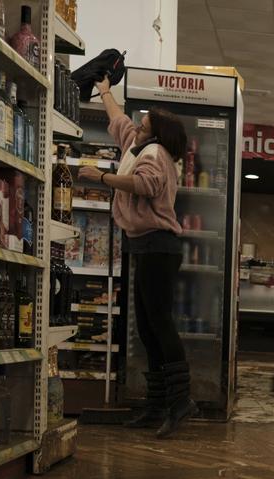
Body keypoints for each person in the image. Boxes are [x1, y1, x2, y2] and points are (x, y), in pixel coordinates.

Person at [80, 78, 196, 438]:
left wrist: (102, 177)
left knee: (159, 324)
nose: (137, 126)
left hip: (158, 246)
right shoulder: (137, 145)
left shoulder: (155, 154)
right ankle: (158, 404)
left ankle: (180, 403)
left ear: (156, 134)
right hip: (143, 245)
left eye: (144, 125)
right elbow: (118, 120)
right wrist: (105, 91)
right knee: (147, 329)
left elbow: (146, 185)